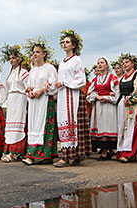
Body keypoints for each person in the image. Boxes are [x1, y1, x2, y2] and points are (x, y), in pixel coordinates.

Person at [54, 29, 92, 167]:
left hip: (74, 96)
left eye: (67, 42)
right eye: (63, 42)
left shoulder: (76, 60)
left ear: (74, 45)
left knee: (75, 124)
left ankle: (69, 156)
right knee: (65, 122)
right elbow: (59, 80)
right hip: (64, 96)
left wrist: (64, 83)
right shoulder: (62, 62)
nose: (64, 44)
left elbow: (81, 80)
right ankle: (71, 154)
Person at [22, 36, 59, 165]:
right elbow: (28, 86)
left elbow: (54, 86)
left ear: (44, 54)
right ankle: (34, 154)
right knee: (33, 127)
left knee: (44, 126)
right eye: (33, 52)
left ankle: (39, 155)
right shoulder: (32, 71)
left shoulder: (49, 68)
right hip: (34, 104)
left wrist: (42, 90)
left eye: (37, 52)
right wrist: (31, 91)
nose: (35, 54)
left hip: (44, 101)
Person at [0, 44, 29, 162]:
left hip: (20, 98)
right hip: (11, 100)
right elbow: (5, 90)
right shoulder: (10, 74)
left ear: (19, 59)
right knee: (10, 124)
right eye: (10, 58)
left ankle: (15, 152)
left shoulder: (24, 72)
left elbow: (28, 87)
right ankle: (11, 150)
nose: (11, 60)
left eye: (13, 58)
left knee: (19, 124)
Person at [87, 57, 119, 161]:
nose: (99, 65)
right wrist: (96, 96)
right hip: (99, 105)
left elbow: (117, 93)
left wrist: (108, 98)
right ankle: (106, 151)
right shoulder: (95, 79)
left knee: (108, 126)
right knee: (101, 126)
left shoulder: (112, 78)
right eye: (98, 63)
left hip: (109, 106)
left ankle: (107, 151)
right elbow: (89, 93)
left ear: (106, 65)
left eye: (102, 63)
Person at [116, 53, 137, 163]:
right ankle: (122, 150)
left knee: (131, 127)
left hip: (133, 105)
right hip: (122, 103)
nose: (124, 65)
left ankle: (129, 153)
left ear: (133, 64)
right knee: (122, 127)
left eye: (127, 62)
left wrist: (131, 99)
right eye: (123, 63)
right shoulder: (122, 78)